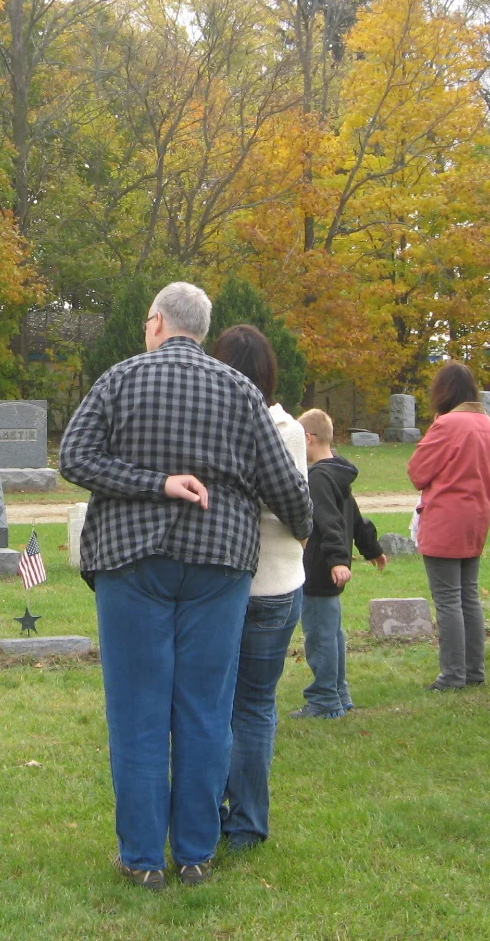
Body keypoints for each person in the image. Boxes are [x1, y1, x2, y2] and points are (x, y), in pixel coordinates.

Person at [59, 283, 312, 890]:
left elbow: (74, 457)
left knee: (138, 713)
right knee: (206, 710)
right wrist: (301, 528)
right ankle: (196, 854)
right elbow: (287, 489)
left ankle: (143, 859)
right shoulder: (241, 391)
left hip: (130, 562)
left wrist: (151, 483)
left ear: (155, 323)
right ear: (201, 328)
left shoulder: (119, 379)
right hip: (219, 566)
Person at [209, 325, 307, 851]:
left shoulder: (207, 423)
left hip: (226, 580)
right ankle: (245, 822)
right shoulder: (284, 428)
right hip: (273, 581)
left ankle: (213, 811)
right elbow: (297, 512)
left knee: (218, 705)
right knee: (253, 707)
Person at [407, 362, 490, 690]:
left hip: (446, 518)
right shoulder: (488, 424)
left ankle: (452, 675)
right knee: (468, 596)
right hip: (477, 517)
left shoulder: (447, 424)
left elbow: (418, 472)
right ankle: (474, 670)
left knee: (447, 599)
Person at [292, 407, 385, 717]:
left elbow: (329, 521)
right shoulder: (338, 472)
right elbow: (355, 517)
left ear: (307, 438)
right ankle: (339, 693)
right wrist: (371, 549)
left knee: (320, 635)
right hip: (328, 568)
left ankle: (324, 700)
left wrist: (335, 560)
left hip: (319, 568)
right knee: (332, 633)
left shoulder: (317, 477)